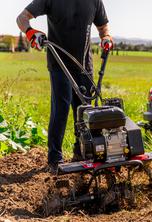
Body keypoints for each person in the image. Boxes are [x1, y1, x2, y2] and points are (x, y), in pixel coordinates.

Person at [16, 0, 114, 173]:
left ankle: (82, 153)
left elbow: (103, 27)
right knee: (61, 109)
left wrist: (106, 37)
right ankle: (55, 159)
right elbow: (21, 18)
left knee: (84, 112)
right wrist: (30, 32)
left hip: (84, 66)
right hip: (59, 64)